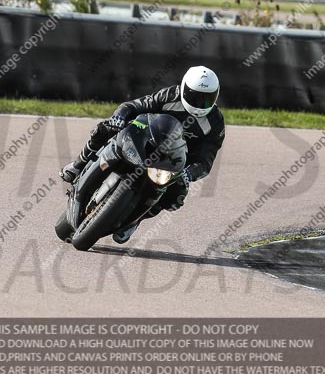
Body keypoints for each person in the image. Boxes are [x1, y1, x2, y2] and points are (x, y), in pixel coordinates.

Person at [60, 65, 225, 243]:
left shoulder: (215, 122)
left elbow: (206, 160)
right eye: (194, 96)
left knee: (176, 197)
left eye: (207, 100)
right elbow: (134, 105)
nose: (200, 104)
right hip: (145, 141)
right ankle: (78, 165)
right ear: (184, 88)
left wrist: (189, 173)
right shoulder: (171, 95)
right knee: (104, 129)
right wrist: (119, 116)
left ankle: (136, 220)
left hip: (172, 163)